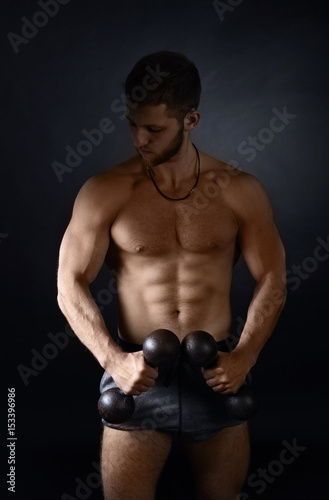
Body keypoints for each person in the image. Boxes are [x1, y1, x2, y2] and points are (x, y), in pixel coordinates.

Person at [57, 51, 286, 500]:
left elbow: (274, 278)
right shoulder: (105, 192)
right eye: (132, 124)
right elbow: (68, 283)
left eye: (154, 129)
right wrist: (112, 361)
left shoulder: (241, 190)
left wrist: (246, 356)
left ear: (191, 119)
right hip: (137, 373)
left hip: (217, 371)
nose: (139, 139)